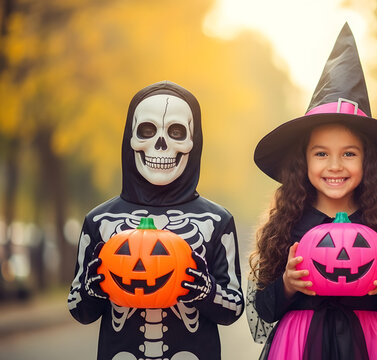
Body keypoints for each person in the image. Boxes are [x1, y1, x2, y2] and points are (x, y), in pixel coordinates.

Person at [246, 23, 377, 360]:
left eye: (349, 153)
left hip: (372, 342)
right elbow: (263, 312)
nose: (335, 166)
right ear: (303, 161)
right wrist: (286, 284)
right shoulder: (287, 224)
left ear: (367, 161)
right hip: (300, 342)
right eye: (321, 153)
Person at [67, 81, 244, 360]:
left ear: (193, 142)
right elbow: (79, 309)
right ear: (130, 139)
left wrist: (205, 291)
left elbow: (234, 308)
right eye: (147, 131)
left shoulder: (216, 221)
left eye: (176, 132)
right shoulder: (100, 220)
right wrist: (93, 288)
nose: (160, 144)